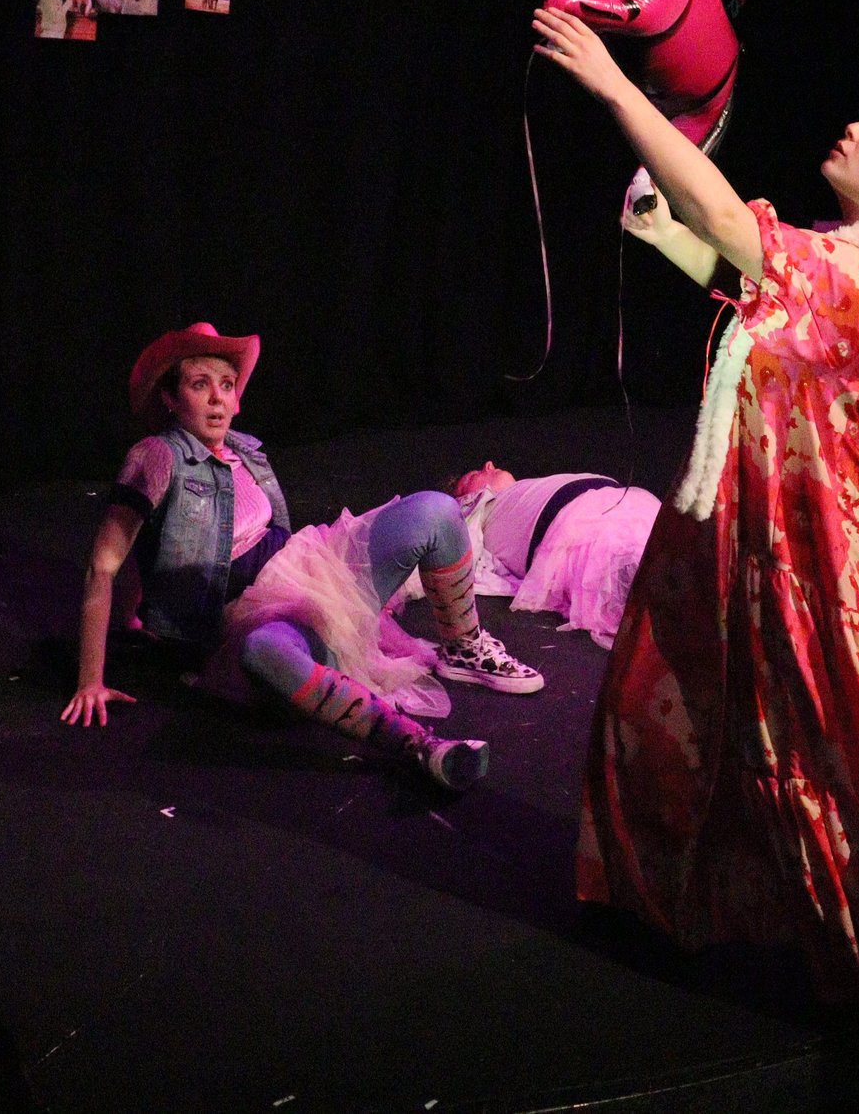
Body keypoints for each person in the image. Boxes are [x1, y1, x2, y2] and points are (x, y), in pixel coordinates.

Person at [531, 7, 859, 1057]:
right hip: (732, 527)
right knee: (666, 700)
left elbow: (734, 227)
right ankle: (656, 900)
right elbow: (748, 284)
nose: (854, 126)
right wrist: (671, 228)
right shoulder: (833, 257)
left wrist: (617, 91)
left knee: (833, 746)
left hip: (805, 556)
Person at [60, 324, 544, 790]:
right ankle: (422, 748)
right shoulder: (157, 455)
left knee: (436, 511)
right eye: (199, 385)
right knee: (263, 653)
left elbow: (154, 551)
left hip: (309, 567)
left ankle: (465, 648)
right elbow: (106, 563)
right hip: (249, 616)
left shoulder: (243, 450)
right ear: (169, 398)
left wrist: (132, 613)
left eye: (226, 386)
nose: (217, 399)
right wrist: (91, 679)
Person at [447, 463, 660, 648]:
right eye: (473, 475)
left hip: (620, 504)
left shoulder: (526, 489)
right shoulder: (475, 515)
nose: (488, 465)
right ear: (464, 499)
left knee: (661, 551)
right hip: (573, 534)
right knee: (631, 567)